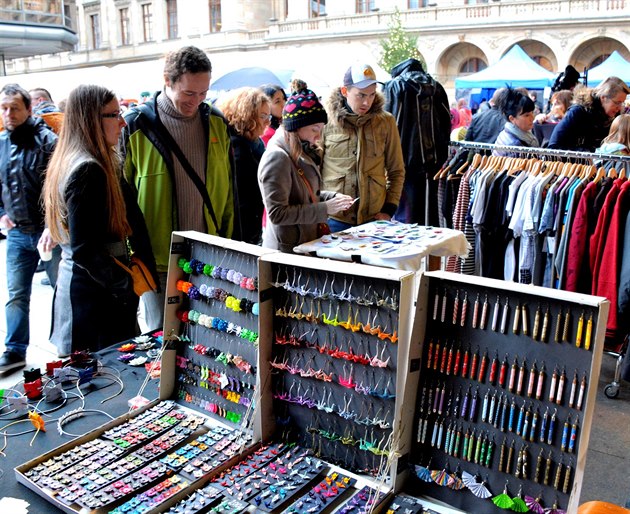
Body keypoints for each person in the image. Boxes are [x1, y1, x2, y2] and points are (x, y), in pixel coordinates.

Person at [121, 46, 233, 331]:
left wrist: (232, 243)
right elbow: (122, 197)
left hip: (209, 255)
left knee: (208, 333)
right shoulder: (136, 126)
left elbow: (229, 193)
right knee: (161, 336)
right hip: (157, 259)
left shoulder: (217, 122)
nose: (196, 101)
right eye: (188, 93)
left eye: (203, 93)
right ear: (167, 81)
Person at [43, 85, 158, 355]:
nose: (122, 122)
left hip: (89, 292)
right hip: (94, 300)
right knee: (105, 380)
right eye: (113, 114)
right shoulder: (88, 169)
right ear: (90, 120)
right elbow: (86, 249)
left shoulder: (84, 160)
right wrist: (124, 286)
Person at [0, 83, 59, 373]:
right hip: (17, 233)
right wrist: (1, 213)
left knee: (63, 291)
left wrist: (52, 226)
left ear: (28, 109)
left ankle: (67, 345)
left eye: (14, 107)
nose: (8, 113)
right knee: (17, 294)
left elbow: (59, 189)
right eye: (4, 108)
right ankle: (14, 350)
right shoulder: (1, 143)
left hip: (47, 233)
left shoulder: (47, 141)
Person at [258, 88, 354, 253]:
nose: (318, 136)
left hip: (301, 244)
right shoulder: (278, 157)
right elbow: (277, 213)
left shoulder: (299, 149)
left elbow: (300, 194)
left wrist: (332, 198)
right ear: (297, 127)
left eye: (321, 130)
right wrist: (325, 208)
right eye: (314, 130)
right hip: (286, 251)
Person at [321, 63, 405, 233]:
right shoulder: (325, 122)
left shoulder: (386, 122)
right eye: (360, 95)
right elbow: (313, 170)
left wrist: (389, 210)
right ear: (345, 92)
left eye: (372, 95)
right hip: (334, 219)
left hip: (374, 219)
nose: (367, 102)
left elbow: (396, 170)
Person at [382, 58, 451, 226]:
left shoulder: (394, 86)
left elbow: (386, 125)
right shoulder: (437, 87)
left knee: (404, 215)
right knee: (431, 213)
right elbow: (446, 123)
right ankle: (431, 250)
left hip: (402, 160)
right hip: (434, 162)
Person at [215, 87, 270, 244]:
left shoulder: (255, 141)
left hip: (253, 223)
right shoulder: (234, 146)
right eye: (263, 116)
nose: (268, 121)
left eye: (269, 115)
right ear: (247, 117)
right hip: (238, 230)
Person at [548, 76, 630, 152]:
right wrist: (590, 153)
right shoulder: (578, 112)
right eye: (617, 102)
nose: (620, 107)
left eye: (622, 103)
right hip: (572, 166)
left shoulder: (613, 118)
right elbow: (554, 146)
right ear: (603, 98)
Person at [493, 87, 538, 156]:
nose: (532, 118)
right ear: (512, 118)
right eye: (527, 115)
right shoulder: (515, 147)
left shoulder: (508, 132)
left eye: (532, 112)